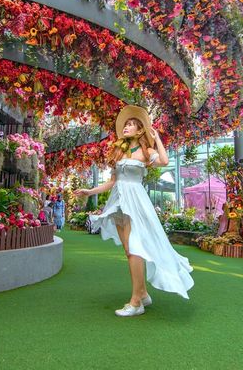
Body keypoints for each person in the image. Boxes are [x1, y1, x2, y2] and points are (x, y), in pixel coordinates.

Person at [73, 105, 194, 317]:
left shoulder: (146, 151)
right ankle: (143, 294)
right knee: (130, 251)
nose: (127, 127)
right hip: (118, 201)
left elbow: (164, 161)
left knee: (135, 250)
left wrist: (157, 139)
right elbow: (112, 182)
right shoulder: (119, 151)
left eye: (132, 125)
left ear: (140, 131)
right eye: (126, 124)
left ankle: (136, 301)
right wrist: (90, 191)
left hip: (136, 201)